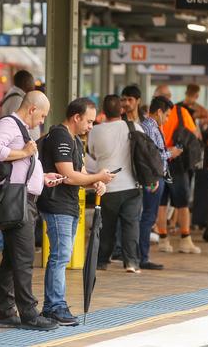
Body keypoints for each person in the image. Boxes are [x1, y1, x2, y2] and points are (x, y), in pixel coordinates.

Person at [0, 91, 65, 331]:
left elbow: (24, 165)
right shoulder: (9, 124)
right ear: (31, 109)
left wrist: (42, 177)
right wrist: (25, 153)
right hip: (18, 201)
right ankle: (29, 313)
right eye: (42, 115)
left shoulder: (21, 129)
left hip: (24, 199)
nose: (42, 120)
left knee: (12, 258)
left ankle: (6, 311)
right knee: (24, 258)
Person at [37, 98, 112, 326]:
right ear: (76, 117)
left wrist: (95, 183)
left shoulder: (76, 141)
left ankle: (54, 305)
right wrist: (97, 176)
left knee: (62, 255)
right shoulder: (60, 135)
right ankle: (55, 306)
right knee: (60, 256)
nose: (91, 126)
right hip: (56, 203)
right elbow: (68, 175)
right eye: (88, 121)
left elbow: (80, 175)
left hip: (68, 205)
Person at [90, 95, 143, 273]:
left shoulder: (95, 131)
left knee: (106, 226)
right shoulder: (134, 127)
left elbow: (92, 153)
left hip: (107, 187)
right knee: (131, 225)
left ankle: (102, 261)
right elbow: (143, 153)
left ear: (103, 111)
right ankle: (131, 263)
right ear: (121, 110)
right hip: (131, 185)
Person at [157, 97, 201, 254]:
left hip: (159, 161)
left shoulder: (153, 116)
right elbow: (195, 134)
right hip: (177, 162)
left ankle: (163, 239)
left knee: (161, 203)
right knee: (182, 203)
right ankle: (185, 240)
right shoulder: (181, 112)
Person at [138, 96, 177, 270]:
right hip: (153, 178)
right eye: (167, 115)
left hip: (153, 177)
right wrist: (172, 153)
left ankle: (140, 255)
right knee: (148, 217)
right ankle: (142, 257)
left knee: (148, 216)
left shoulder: (151, 127)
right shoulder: (150, 128)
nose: (167, 119)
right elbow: (152, 155)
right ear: (159, 112)